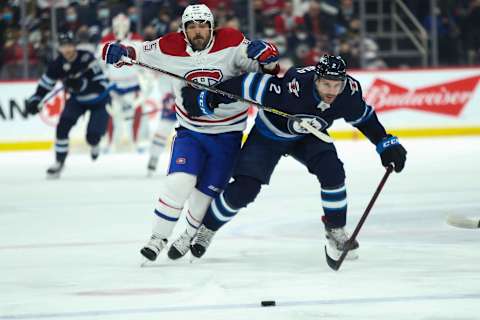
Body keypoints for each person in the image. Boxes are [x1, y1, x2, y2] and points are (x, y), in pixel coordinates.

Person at [179, 54, 407, 262]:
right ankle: (207, 228)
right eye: (326, 84)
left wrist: (384, 143)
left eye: (337, 85)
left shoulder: (349, 94)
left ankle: (335, 230)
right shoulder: (293, 86)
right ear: (316, 80)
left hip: (307, 137)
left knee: (333, 172)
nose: (331, 90)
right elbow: (247, 85)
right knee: (245, 190)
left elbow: (365, 119)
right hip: (268, 136)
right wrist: (206, 98)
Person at [101, 4, 280, 261]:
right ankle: (158, 237)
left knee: (204, 195)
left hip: (228, 134)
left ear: (212, 26)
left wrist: (268, 57)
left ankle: (188, 234)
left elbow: (264, 71)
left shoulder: (231, 41)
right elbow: (136, 52)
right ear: (183, 30)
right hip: (191, 131)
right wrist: (117, 51)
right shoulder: (169, 46)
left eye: (203, 25)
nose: (198, 31)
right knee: (178, 182)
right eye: (192, 26)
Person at [25, 30, 111, 179]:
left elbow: (102, 85)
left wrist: (82, 84)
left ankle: (95, 143)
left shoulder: (87, 59)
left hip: (99, 101)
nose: (67, 49)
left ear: (75, 46)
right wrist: (35, 99)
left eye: (70, 45)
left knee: (92, 137)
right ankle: (59, 162)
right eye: (63, 46)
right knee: (62, 126)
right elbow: (46, 85)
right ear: (59, 48)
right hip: (77, 100)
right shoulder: (57, 64)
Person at [99, 13, 151, 152]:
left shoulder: (137, 39)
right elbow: (101, 62)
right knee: (111, 114)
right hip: (114, 85)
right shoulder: (106, 39)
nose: (120, 27)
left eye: (123, 24)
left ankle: (136, 141)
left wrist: (145, 75)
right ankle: (109, 143)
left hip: (133, 84)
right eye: (117, 24)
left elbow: (142, 58)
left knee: (137, 112)